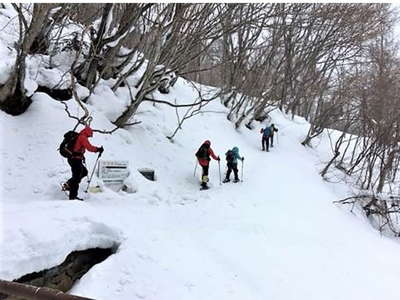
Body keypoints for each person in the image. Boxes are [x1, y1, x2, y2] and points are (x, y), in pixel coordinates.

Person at [62, 126, 104, 200]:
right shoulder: (82, 137)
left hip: (74, 159)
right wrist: (98, 149)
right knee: (76, 178)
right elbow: (89, 148)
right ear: (88, 132)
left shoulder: (79, 136)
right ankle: (73, 197)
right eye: (89, 135)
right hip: (75, 160)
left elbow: (77, 148)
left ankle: (68, 184)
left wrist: (82, 156)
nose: (89, 137)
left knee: (84, 172)